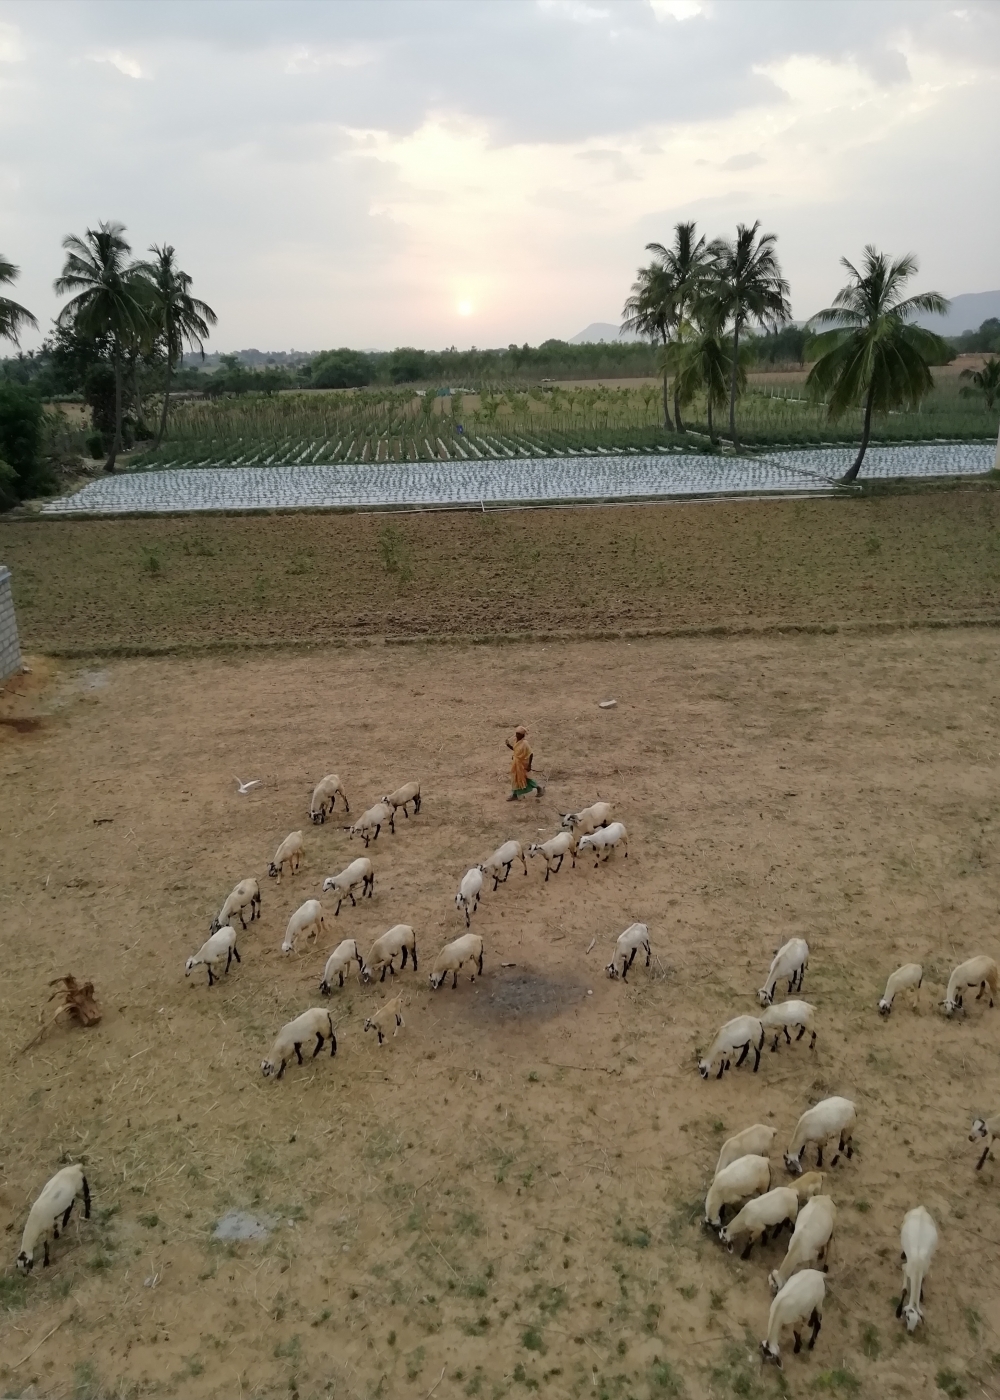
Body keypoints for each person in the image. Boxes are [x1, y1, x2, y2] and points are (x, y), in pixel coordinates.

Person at [506, 725, 543, 800]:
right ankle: (515, 795)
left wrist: (529, 765)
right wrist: (508, 745)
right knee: (515, 778)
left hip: (522, 764)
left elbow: (531, 753)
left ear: (522, 735)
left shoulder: (525, 743)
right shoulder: (516, 741)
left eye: (518, 734)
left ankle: (539, 788)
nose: (517, 735)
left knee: (526, 779)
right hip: (516, 763)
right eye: (516, 733)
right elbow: (515, 750)